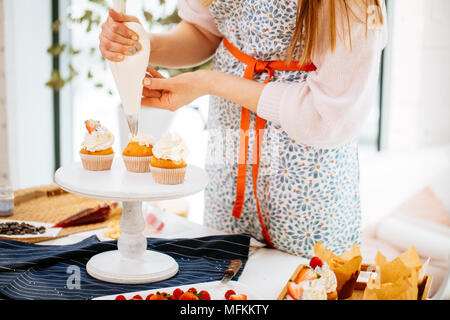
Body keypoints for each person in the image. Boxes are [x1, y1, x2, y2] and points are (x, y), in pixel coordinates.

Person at [99, 0, 387, 257]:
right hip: (230, 153)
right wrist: (142, 46)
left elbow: (327, 117)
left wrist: (210, 83)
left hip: (308, 181)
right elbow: (205, 31)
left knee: (306, 282)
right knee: (224, 280)